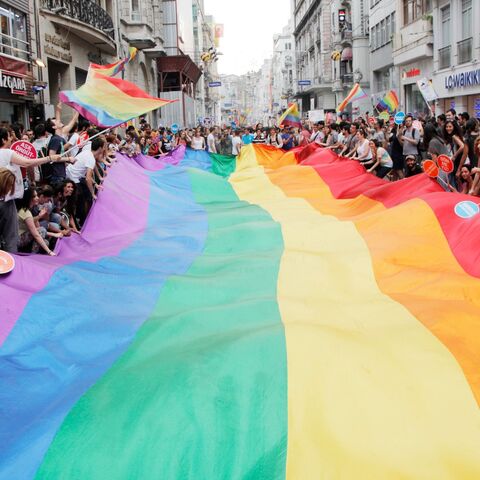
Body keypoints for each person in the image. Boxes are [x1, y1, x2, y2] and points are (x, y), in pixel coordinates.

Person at [0, 127, 62, 252]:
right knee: (10, 236)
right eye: (9, 136)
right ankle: (14, 265)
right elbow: (28, 163)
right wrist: (50, 158)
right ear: (3, 139)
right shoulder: (7, 153)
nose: (12, 139)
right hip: (6, 201)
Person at [67, 136, 106, 224]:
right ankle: (81, 221)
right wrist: (93, 194)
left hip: (74, 176)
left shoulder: (87, 153)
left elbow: (86, 175)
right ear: (100, 148)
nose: (104, 149)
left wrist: (95, 184)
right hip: (73, 178)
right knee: (83, 199)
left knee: (85, 194)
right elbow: (88, 178)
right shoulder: (91, 159)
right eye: (104, 147)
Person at [16, 187, 55, 255]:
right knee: (42, 230)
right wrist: (49, 252)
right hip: (17, 240)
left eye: (37, 195)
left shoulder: (26, 210)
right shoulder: (26, 212)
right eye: (34, 196)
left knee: (45, 242)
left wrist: (39, 216)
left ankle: (30, 250)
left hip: (19, 238)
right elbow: (36, 234)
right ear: (29, 199)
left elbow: (36, 225)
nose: (37, 198)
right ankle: (33, 255)